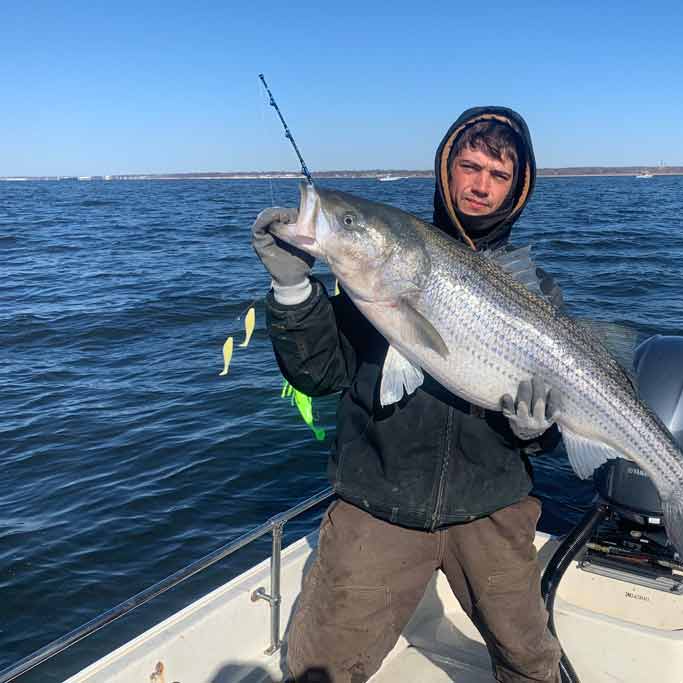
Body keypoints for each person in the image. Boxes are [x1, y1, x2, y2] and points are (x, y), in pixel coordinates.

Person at [251, 107, 564, 683]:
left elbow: (550, 434)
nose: (480, 186)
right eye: (469, 167)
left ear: (517, 189)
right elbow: (318, 374)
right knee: (319, 670)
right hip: (378, 503)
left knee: (530, 664)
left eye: (498, 176)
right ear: (445, 171)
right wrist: (292, 287)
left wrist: (535, 429)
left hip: (492, 508)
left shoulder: (537, 293)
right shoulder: (383, 275)